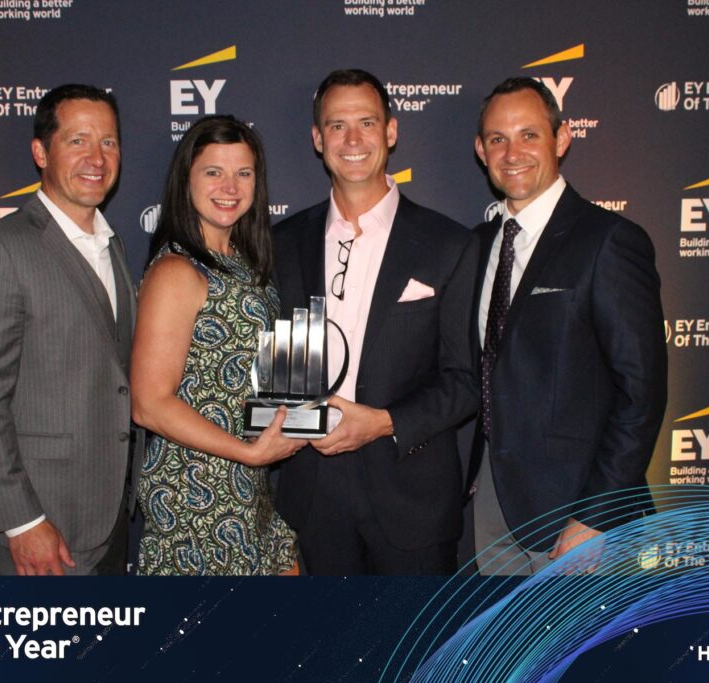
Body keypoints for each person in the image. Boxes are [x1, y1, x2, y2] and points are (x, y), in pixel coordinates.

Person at [273, 69, 479, 575]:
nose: (353, 140)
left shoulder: (449, 243)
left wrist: (382, 423)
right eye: (337, 126)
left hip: (413, 502)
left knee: (415, 653)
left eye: (366, 122)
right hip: (310, 500)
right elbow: (282, 368)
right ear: (318, 139)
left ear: (391, 131)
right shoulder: (283, 242)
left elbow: (466, 381)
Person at [468, 77, 667, 575]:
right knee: (507, 651)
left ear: (562, 139)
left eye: (529, 135)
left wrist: (593, 517)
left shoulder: (609, 241)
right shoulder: (475, 245)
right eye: (497, 139)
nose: (512, 153)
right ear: (480, 149)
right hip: (491, 505)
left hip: (579, 514)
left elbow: (640, 393)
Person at [0, 84, 137, 575]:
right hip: (42, 525)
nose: (97, 157)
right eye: (78, 140)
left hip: (111, 516)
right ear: (40, 152)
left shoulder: (111, 247)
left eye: (109, 142)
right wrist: (21, 522)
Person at [131, 115, 302, 576]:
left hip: (252, 489)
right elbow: (149, 404)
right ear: (186, 179)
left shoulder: (246, 263)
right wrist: (248, 452)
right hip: (194, 497)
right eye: (213, 172)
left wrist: (301, 417)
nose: (230, 186)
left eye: (243, 173)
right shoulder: (176, 272)